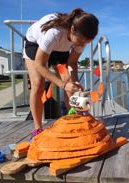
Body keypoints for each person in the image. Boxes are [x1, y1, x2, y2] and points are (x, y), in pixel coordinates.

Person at [23, 8, 99, 137]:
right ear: (72, 29)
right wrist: (62, 84)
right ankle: (37, 128)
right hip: (35, 44)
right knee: (38, 84)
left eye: (86, 42)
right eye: (80, 41)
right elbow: (40, 65)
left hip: (60, 49)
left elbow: (73, 62)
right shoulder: (54, 33)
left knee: (70, 83)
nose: (82, 44)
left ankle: (75, 120)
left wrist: (74, 82)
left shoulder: (82, 38)